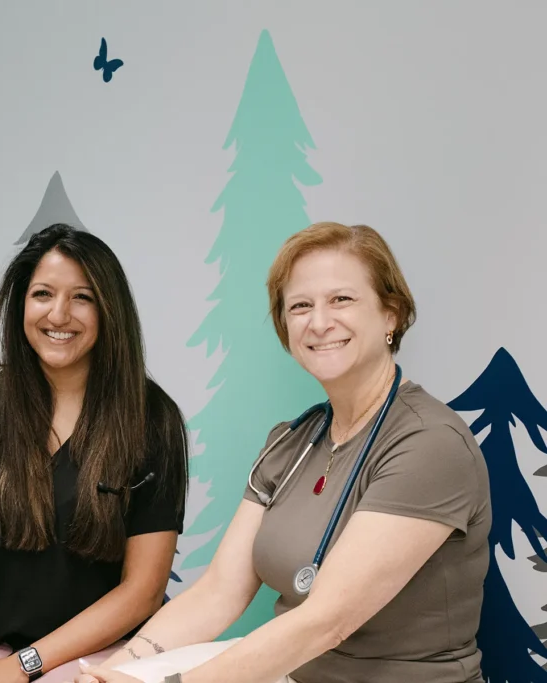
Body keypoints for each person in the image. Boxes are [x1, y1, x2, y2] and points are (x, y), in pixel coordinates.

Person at [76, 222, 491, 683]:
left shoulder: (429, 443)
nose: (318, 322)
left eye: (342, 299)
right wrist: (118, 671)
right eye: (300, 306)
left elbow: (325, 622)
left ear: (390, 314)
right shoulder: (291, 441)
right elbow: (219, 592)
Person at [0, 224, 189, 683]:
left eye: (82, 297)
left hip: (97, 653)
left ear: (109, 313)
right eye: (43, 294)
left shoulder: (152, 420)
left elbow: (142, 590)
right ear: (21, 303)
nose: (59, 314)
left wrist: (23, 666)